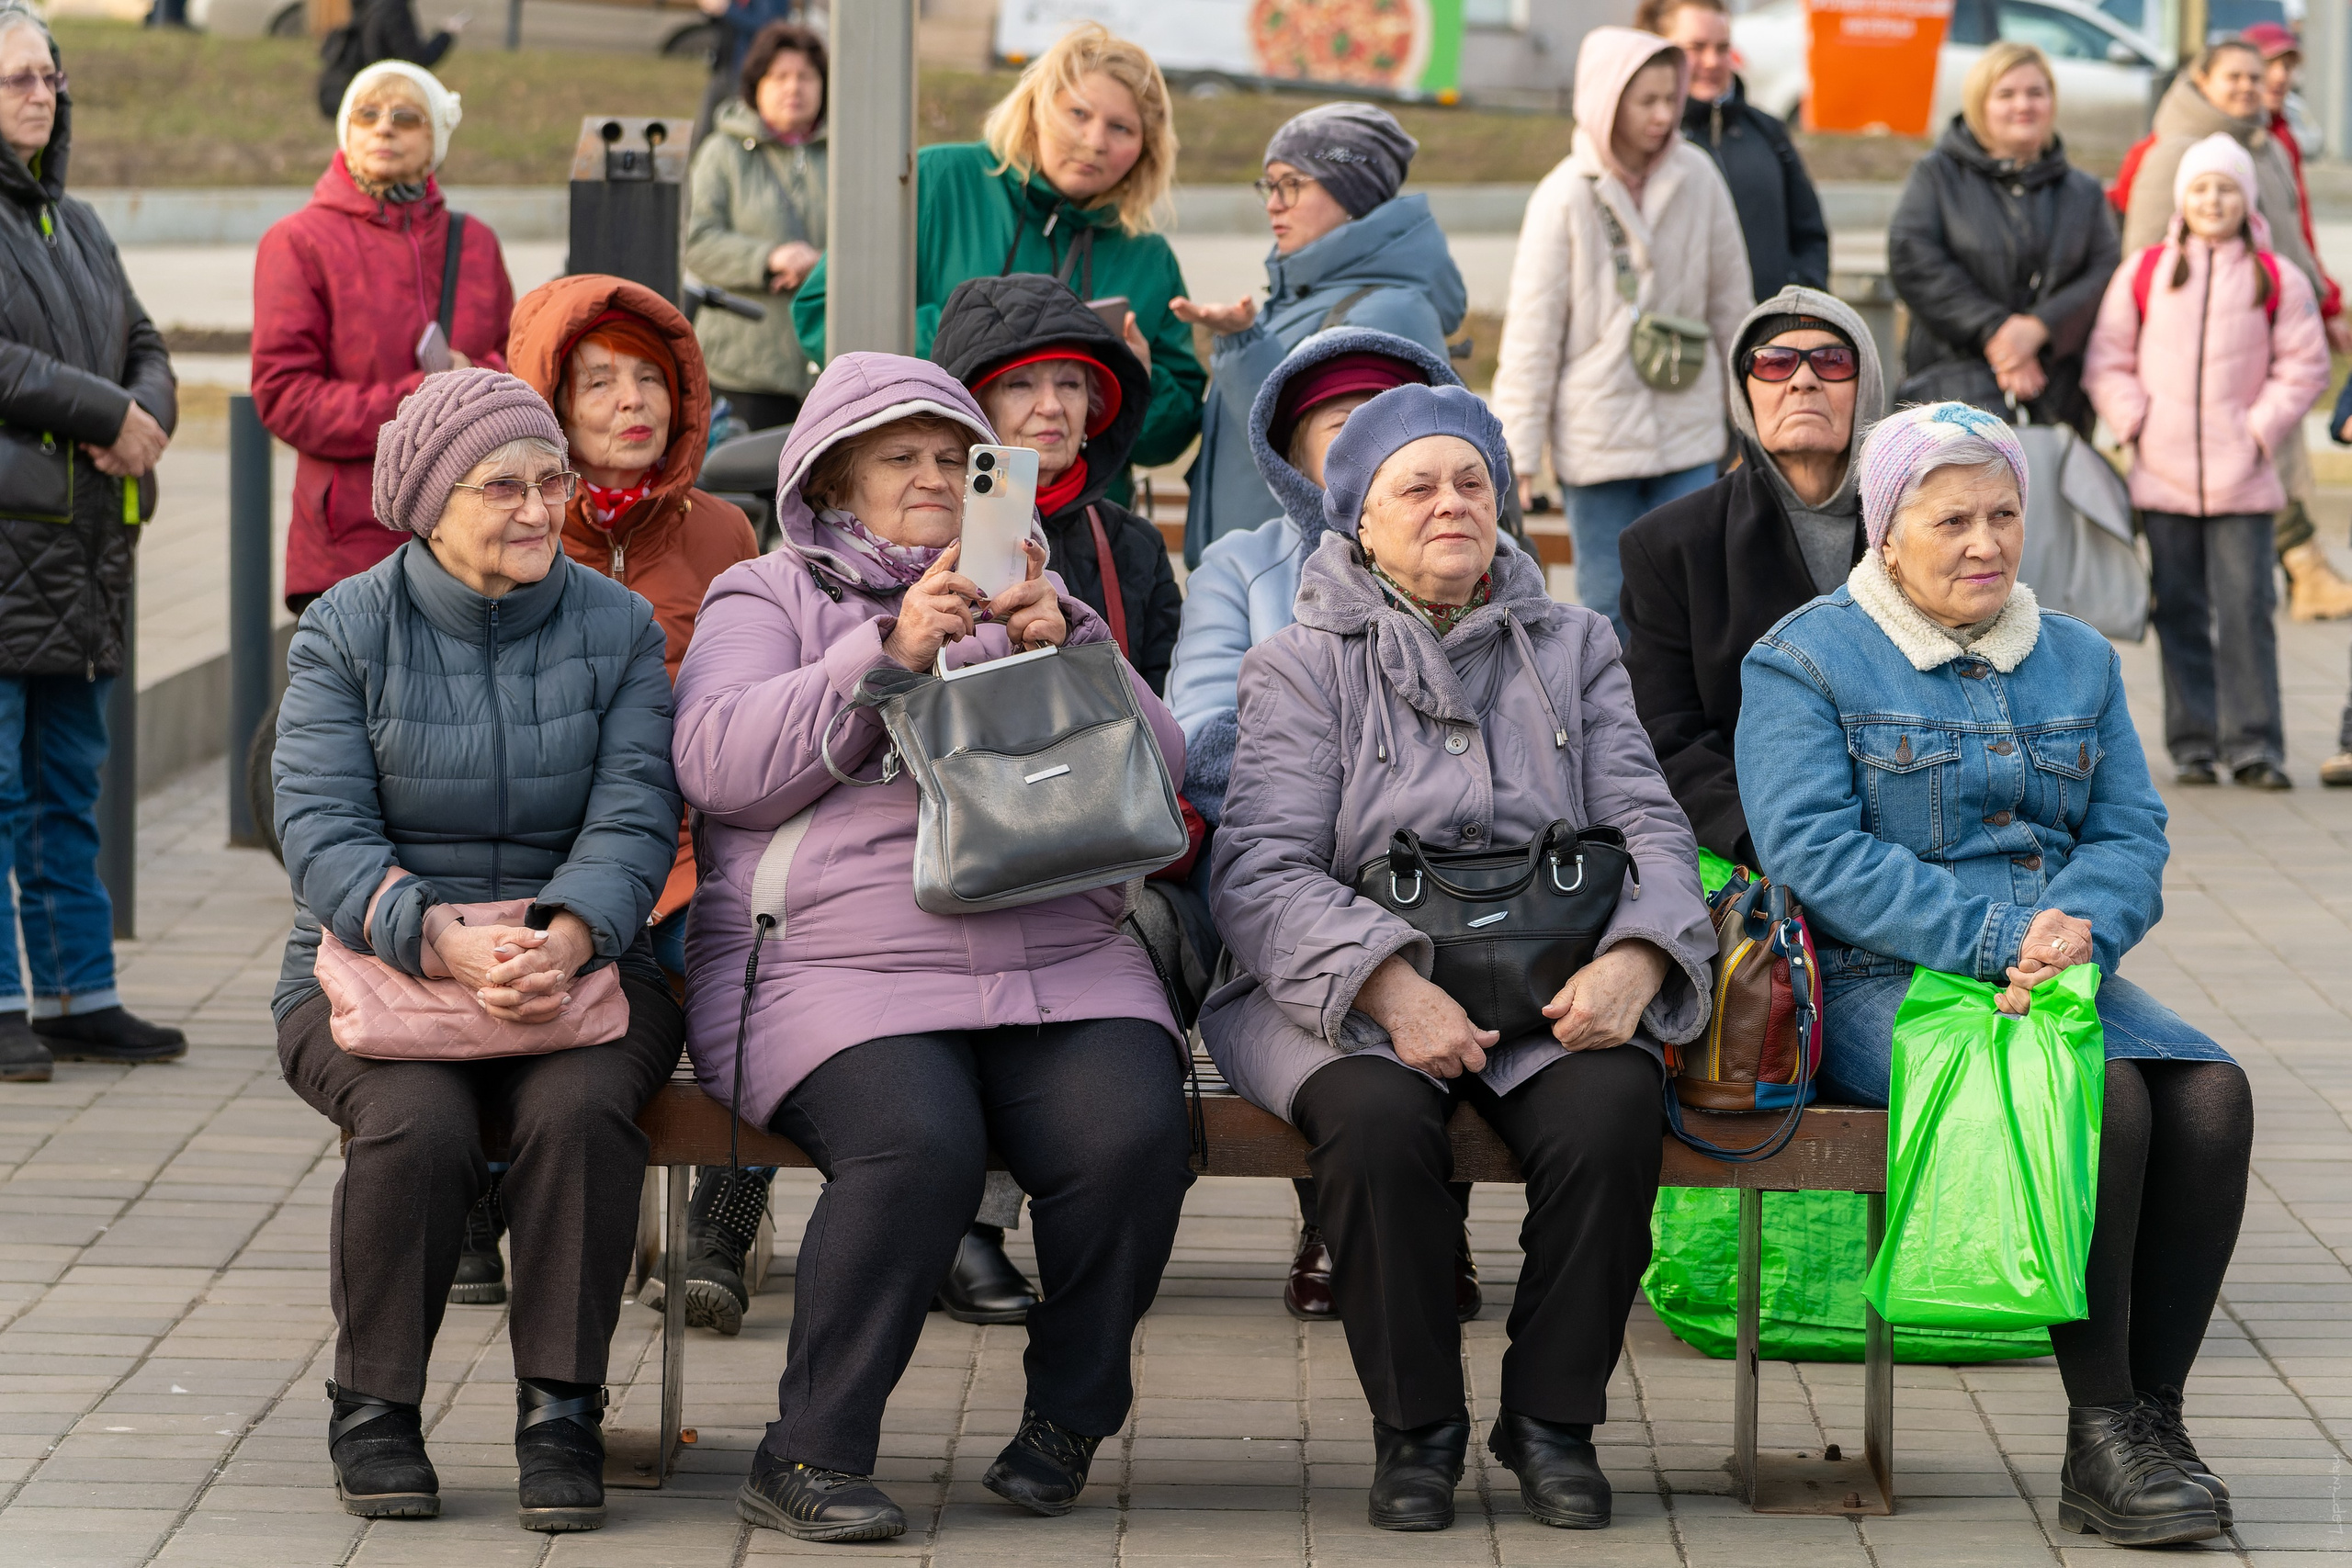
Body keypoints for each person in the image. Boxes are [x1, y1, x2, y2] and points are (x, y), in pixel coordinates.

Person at [671, 353, 1193, 1542]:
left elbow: (1164, 782)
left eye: (957, 461)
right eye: (900, 458)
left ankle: (1069, 1412)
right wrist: (887, 655)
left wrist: (1076, 649)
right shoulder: (772, 594)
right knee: (921, 1141)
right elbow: (717, 764)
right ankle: (809, 1448)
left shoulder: (1035, 593)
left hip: (1057, 949)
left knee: (1134, 1128)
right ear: (835, 478)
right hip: (833, 964)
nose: (932, 479)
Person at [1736, 401, 2252, 1550]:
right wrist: (1991, 941)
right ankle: (2099, 1427)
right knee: (2098, 1095)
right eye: (1952, 518)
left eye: (2004, 514)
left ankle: (2154, 1423)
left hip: (2051, 968)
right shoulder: (1805, 659)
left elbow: (2130, 833)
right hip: (1880, 976)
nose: (1985, 542)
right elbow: (1812, 854)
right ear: (1884, 531)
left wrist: (2079, 927)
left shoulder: (2073, 653)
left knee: (2212, 1093)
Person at [1203, 382, 1717, 1534]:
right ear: (1359, 522)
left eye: (1472, 482)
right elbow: (1260, 870)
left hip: (1550, 978)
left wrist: (1639, 956)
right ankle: (1417, 1430)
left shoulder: (1575, 644)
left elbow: (1646, 821)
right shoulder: (1299, 663)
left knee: (1611, 1111)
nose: (1451, 505)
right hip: (1336, 988)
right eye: (1416, 487)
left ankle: (1550, 1423)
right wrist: (1390, 987)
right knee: (1379, 1129)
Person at [270, 369, 685, 1533]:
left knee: (580, 1110)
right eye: (502, 484)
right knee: (420, 1122)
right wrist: (436, 937)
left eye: (552, 480)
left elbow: (637, 812)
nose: (539, 507)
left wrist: (565, 932)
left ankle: (562, 1409)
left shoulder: (616, 627)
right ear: (428, 501)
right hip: (375, 961)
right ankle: (376, 1410)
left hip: (586, 964)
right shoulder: (348, 628)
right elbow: (319, 829)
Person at [1160, 326, 1479, 1322]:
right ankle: (1339, 1220)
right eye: (1347, 422)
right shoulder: (1242, 567)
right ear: (1300, 453)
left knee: (1473, 930)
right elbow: (1204, 735)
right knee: (1315, 934)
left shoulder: (1481, 564)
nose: (1382, 441)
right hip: (1287, 855)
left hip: (1460, 878)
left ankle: (1433, 1221)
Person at [508, 274, 764, 1325]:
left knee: (767, 980)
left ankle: (723, 1227)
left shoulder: (724, 535)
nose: (632, 402)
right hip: (542, 844)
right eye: (599, 381)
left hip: (698, 839)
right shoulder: (511, 529)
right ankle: (488, 1201)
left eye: (652, 379)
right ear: (552, 405)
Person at [0, 4, 186, 1084]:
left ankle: (77, 993)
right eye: (20, 77)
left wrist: (144, 407)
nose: (42, 92)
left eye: (49, 76)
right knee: (1, 792)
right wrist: (103, 412)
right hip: (8, 548)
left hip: (79, 557)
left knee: (66, 782)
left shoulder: (75, 220)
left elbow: (147, 336)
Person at [790, 23, 1204, 505]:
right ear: (1034, 109)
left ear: (1146, 150)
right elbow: (822, 311)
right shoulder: (937, 180)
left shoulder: (1148, 258)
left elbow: (1169, 440)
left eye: (1121, 128)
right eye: (1078, 113)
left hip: (1082, 526)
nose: (1095, 141)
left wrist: (1136, 382)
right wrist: (961, 342)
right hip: (924, 507)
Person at [2083, 136, 2329, 793]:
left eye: (2225, 188)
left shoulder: (2277, 276)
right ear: (2181, 199)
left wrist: (2260, 427)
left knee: (2248, 608)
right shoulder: (2146, 270)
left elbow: (2305, 365)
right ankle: (2193, 741)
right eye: (2200, 189)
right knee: (2181, 607)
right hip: (2161, 476)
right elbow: (2108, 358)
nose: (2212, 200)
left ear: (2246, 198)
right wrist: (2137, 420)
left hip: (2244, 477)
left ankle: (2255, 744)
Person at [1490, 26, 1753, 638]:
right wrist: (1518, 456)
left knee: (1689, 600)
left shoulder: (1700, 177)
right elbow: (1533, 332)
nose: (1665, 115)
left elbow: (1732, 308)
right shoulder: (1562, 195)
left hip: (1687, 432)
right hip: (1597, 440)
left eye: (1672, 97)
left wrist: (1749, 425)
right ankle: (1612, 730)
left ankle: (1679, 734)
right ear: (1606, 99)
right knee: (1606, 605)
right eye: (1646, 101)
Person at [1618, 287, 1883, 868]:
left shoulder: (1929, 528)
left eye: (1832, 361)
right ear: (1745, 394)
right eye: (1773, 362)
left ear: (1868, 390)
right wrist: (1781, 842)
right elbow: (1664, 736)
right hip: (1760, 847)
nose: (1803, 381)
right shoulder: (1670, 546)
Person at [255, 61, 514, 614]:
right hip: (351, 547)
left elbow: (514, 363)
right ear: (346, 132)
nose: (384, 128)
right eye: (366, 114)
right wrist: (425, 401)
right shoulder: (299, 242)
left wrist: (477, 378)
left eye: (406, 117)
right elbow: (286, 397)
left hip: (468, 541)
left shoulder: (476, 243)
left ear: (437, 138)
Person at [2118, 36, 2352, 622]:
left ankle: (2303, 571)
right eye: (2235, 78)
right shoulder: (2175, 151)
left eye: (2257, 76)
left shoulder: (2266, 145)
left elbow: (2293, 238)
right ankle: (2300, 570)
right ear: (2202, 81)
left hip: (2269, 331)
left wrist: (2323, 305)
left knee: (2272, 455)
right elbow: (2144, 259)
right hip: (2193, 359)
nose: (2250, 87)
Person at [1169, 102, 1466, 563]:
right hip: (1263, 574)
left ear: (1355, 195)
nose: (1273, 203)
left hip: (1316, 590)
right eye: (1269, 185)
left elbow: (1352, 462)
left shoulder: (1390, 310)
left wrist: (1245, 345)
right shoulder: (1295, 302)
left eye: (1292, 184)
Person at [933, 273, 1180, 691]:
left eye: (1070, 383)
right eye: (1020, 384)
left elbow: (1162, 718)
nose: (1051, 406)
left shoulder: (1137, 547)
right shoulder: (920, 536)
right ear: (975, 407)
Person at [1887, 42, 2117, 433]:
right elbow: (1913, 257)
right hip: (1951, 389)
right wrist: (1996, 332)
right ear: (1981, 103)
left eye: (2035, 93)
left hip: (2056, 396)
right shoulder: (1937, 176)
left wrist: (2040, 328)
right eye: (2006, 94)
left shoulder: (2084, 191)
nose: (2023, 105)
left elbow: (2104, 271)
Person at [685, 20, 826, 433]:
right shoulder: (722, 152)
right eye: (779, 76)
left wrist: (820, 263)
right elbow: (696, 240)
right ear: (756, 84)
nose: (793, 87)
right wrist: (769, 258)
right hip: (744, 368)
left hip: (831, 368)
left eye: (805, 76)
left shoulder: (846, 154)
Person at [1637, 0, 1828, 304]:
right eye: (1696, 48)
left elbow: (1810, 235)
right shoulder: (1645, 140)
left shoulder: (1768, 132)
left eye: (1723, 48)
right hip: (1683, 339)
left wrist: (1801, 305)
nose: (1712, 61)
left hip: (1770, 339)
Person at [317, 0, 459, 121]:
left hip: (355, 92)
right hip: (377, 98)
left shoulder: (367, 4)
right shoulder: (393, 8)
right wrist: (446, 34)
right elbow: (417, 60)